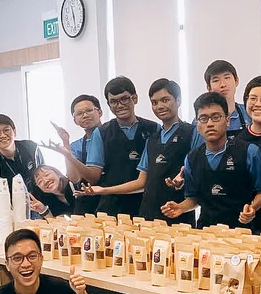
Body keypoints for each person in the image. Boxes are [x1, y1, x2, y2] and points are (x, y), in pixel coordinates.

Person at [84, 79, 202, 224]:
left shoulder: (192, 133)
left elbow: (200, 177)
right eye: (154, 102)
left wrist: (184, 181)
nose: (160, 106)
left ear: (178, 100)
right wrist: (103, 190)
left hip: (178, 214)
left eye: (165, 100)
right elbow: (142, 181)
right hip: (147, 214)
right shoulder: (153, 137)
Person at [161, 92, 261, 229]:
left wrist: (252, 208)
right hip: (206, 232)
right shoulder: (192, 158)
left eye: (216, 117)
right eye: (203, 118)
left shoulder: (249, 152)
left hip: (242, 232)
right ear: (197, 124)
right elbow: (194, 198)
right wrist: (180, 207)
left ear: (227, 120)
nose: (210, 124)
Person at [94, 77, 160, 217]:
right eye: (113, 101)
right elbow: (94, 173)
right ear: (108, 104)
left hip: (146, 205)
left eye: (124, 99)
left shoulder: (154, 129)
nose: (119, 105)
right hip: (111, 207)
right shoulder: (101, 133)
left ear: (134, 98)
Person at [46, 95, 104, 215]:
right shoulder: (76, 146)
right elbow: (73, 177)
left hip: (113, 198)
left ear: (100, 112)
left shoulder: (112, 136)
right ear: (75, 121)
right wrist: (66, 143)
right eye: (79, 113)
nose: (85, 115)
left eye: (89, 110)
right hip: (88, 202)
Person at [204, 60, 250, 137]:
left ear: (236, 81)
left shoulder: (248, 113)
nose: (222, 84)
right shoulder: (202, 119)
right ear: (209, 88)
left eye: (227, 77)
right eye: (216, 80)